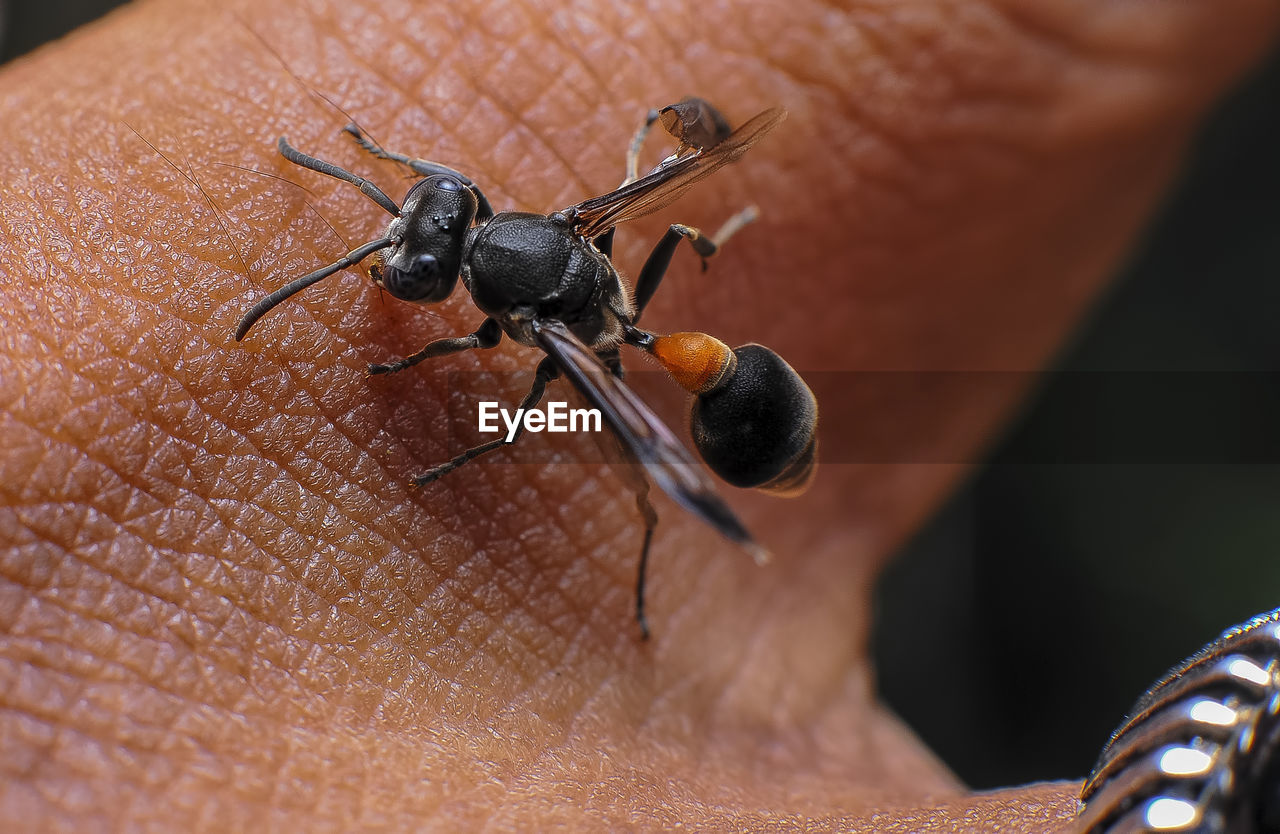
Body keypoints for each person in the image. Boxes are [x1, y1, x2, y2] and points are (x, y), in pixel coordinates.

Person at [1, 0, 1277, 829]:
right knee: (600, 361)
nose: (413, 239)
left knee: (576, 432)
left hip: (720, 409)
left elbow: (529, 347)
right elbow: (457, 207)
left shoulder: (543, 317)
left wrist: (455, 409)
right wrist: (374, 169)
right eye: (415, 231)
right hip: (651, 329)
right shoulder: (556, 237)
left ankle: (638, 529)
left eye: (422, 244)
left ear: (482, 286)